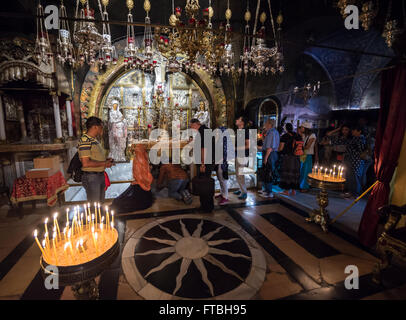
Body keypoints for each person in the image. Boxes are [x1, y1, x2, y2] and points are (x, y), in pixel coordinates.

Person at [78, 116, 114, 202]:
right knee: (94, 205)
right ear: (95, 127)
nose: (102, 129)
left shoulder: (94, 140)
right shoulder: (85, 140)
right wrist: (104, 163)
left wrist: (106, 160)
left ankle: (100, 215)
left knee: (100, 203)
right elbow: (86, 163)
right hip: (92, 177)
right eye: (101, 127)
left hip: (98, 175)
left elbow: (94, 157)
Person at [112, 144, 154, 213]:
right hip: (140, 182)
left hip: (140, 182)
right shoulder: (141, 157)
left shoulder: (140, 156)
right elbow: (141, 173)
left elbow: (142, 172)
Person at [190, 118, 215, 212]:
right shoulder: (205, 130)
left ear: (195, 124)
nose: (191, 128)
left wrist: (203, 164)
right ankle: (207, 206)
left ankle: (206, 207)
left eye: (191, 126)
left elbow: (204, 149)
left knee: (204, 183)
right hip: (208, 161)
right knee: (205, 182)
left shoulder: (203, 132)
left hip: (205, 162)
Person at [278, 123, 301, 196]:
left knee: (287, 173)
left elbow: (281, 148)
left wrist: (276, 149)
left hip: (287, 157)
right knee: (294, 174)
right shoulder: (297, 136)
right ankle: (294, 190)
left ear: (285, 129)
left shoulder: (284, 136)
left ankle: (286, 191)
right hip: (296, 157)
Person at [343, 125, 366, 198]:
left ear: (359, 131)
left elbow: (360, 150)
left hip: (356, 161)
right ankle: (351, 192)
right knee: (350, 177)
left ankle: (355, 194)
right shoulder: (355, 138)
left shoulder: (361, 139)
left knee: (355, 177)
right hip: (351, 160)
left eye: (354, 130)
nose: (352, 132)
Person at [259, 119, 280, 198]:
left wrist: (265, 158)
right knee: (266, 171)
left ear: (269, 124)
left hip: (270, 154)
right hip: (268, 153)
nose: (264, 125)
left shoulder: (272, 133)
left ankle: (269, 192)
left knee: (268, 172)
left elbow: (270, 148)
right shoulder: (270, 132)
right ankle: (265, 189)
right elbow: (265, 143)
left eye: (266, 123)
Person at [233, 116, 250, 201]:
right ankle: (240, 189)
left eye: (238, 119)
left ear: (242, 122)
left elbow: (248, 145)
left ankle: (244, 192)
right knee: (237, 173)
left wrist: (235, 148)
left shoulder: (245, 131)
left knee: (240, 174)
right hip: (238, 155)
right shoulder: (238, 131)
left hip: (243, 155)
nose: (236, 120)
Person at [298, 122, 316, 192]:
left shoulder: (312, 135)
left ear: (305, 128)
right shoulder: (304, 135)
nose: (301, 129)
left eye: (302, 127)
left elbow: (308, 146)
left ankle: (305, 187)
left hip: (308, 155)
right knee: (302, 170)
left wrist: (300, 147)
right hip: (303, 154)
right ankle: (301, 185)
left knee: (306, 171)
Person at [215, 126, 230, 205]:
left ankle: (225, 197)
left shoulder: (224, 141)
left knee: (223, 180)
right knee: (220, 179)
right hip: (219, 162)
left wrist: (219, 161)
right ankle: (222, 193)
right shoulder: (220, 140)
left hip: (222, 162)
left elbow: (224, 153)